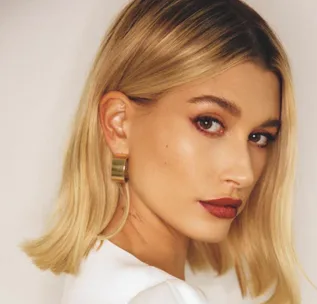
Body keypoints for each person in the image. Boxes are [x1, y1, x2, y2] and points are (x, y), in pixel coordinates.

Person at [21, 0, 300, 303]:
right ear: (119, 124)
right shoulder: (163, 296)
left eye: (260, 137)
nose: (244, 173)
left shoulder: (95, 270)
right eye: (208, 122)